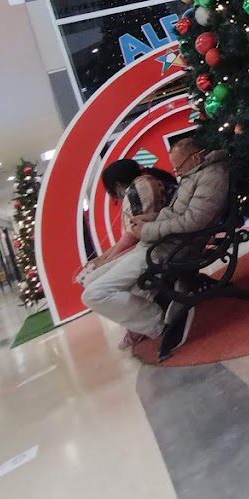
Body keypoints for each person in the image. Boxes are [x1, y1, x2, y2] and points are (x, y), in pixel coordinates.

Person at [82, 137, 228, 358]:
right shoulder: (194, 175)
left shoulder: (211, 176)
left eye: (179, 166)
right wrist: (149, 219)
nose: (176, 172)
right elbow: (176, 214)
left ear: (196, 157)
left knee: (94, 294)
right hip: (157, 245)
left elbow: (192, 221)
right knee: (91, 281)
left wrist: (148, 229)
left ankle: (159, 321)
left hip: (168, 249)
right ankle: (158, 309)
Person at [77, 160, 177, 349]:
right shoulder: (147, 183)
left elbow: (134, 235)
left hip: (156, 249)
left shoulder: (140, 188)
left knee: (93, 294)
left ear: (117, 184)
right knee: (91, 281)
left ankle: (154, 320)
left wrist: (105, 259)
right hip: (152, 246)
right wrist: (104, 259)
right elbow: (136, 232)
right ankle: (141, 322)